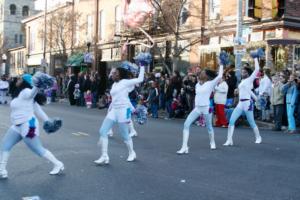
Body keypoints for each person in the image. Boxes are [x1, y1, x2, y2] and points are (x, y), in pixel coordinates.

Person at [0, 74, 64, 179]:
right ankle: (2, 170)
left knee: (38, 149)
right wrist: (48, 121)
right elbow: (39, 111)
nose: (18, 79)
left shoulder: (26, 92)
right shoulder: (20, 94)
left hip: (28, 125)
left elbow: (31, 94)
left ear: (25, 82)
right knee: (5, 145)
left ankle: (58, 164)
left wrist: (37, 85)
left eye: (20, 78)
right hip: (17, 125)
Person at [94, 54, 147, 165]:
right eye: (113, 73)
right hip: (114, 111)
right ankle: (104, 156)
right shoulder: (114, 85)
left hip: (123, 111)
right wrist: (108, 109)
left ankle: (132, 153)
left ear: (120, 75)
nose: (113, 74)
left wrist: (142, 65)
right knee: (102, 131)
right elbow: (114, 99)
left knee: (124, 135)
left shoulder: (125, 82)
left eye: (115, 73)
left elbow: (140, 79)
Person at [177, 55, 224, 153]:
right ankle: (184, 147)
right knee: (186, 124)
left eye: (202, 72)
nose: (200, 73)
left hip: (206, 108)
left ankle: (212, 142)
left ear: (206, 76)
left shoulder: (210, 84)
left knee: (209, 127)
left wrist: (222, 64)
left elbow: (219, 76)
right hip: (197, 108)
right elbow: (191, 76)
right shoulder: (197, 84)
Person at [223, 49, 263, 146]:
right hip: (240, 103)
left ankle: (258, 137)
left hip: (247, 103)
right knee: (231, 121)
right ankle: (229, 140)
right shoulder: (242, 81)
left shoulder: (249, 79)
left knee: (251, 122)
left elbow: (257, 70)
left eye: (244, 71)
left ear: (248, 73)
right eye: (242, 71)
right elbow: (248, 91)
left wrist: (255, 58)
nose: (242, 73)